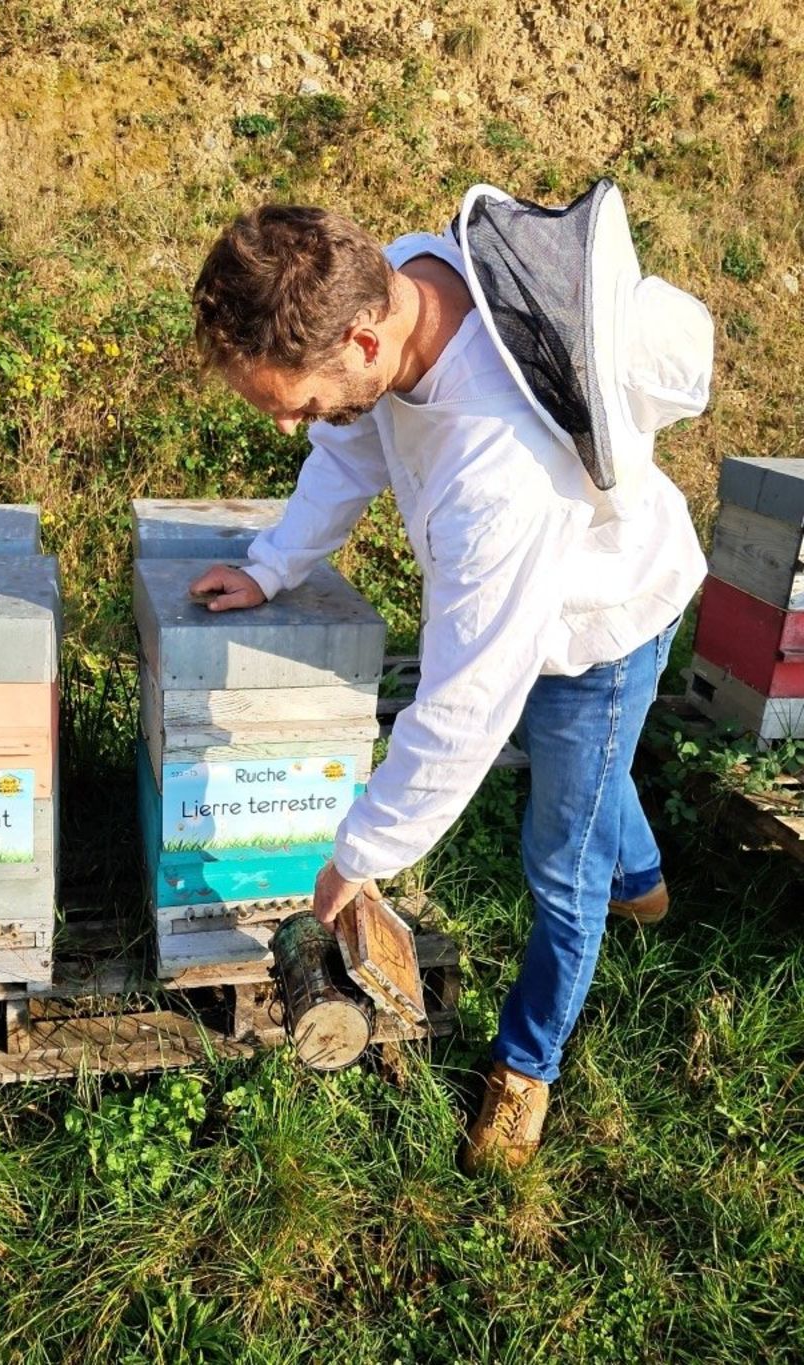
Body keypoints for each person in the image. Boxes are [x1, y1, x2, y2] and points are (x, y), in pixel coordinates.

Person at [188, 184, 713, 1171]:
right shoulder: (402, 291)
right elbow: (349, 445)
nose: (285, 423)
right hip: (533, 603)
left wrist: (358, 856)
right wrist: (271, 565)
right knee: (591, 778)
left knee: (557, 858)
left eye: (290, 400)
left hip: (598, 627)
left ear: (360, 341)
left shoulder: (492, 465)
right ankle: (643, 880)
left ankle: (527, 1067)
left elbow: (465, 706)